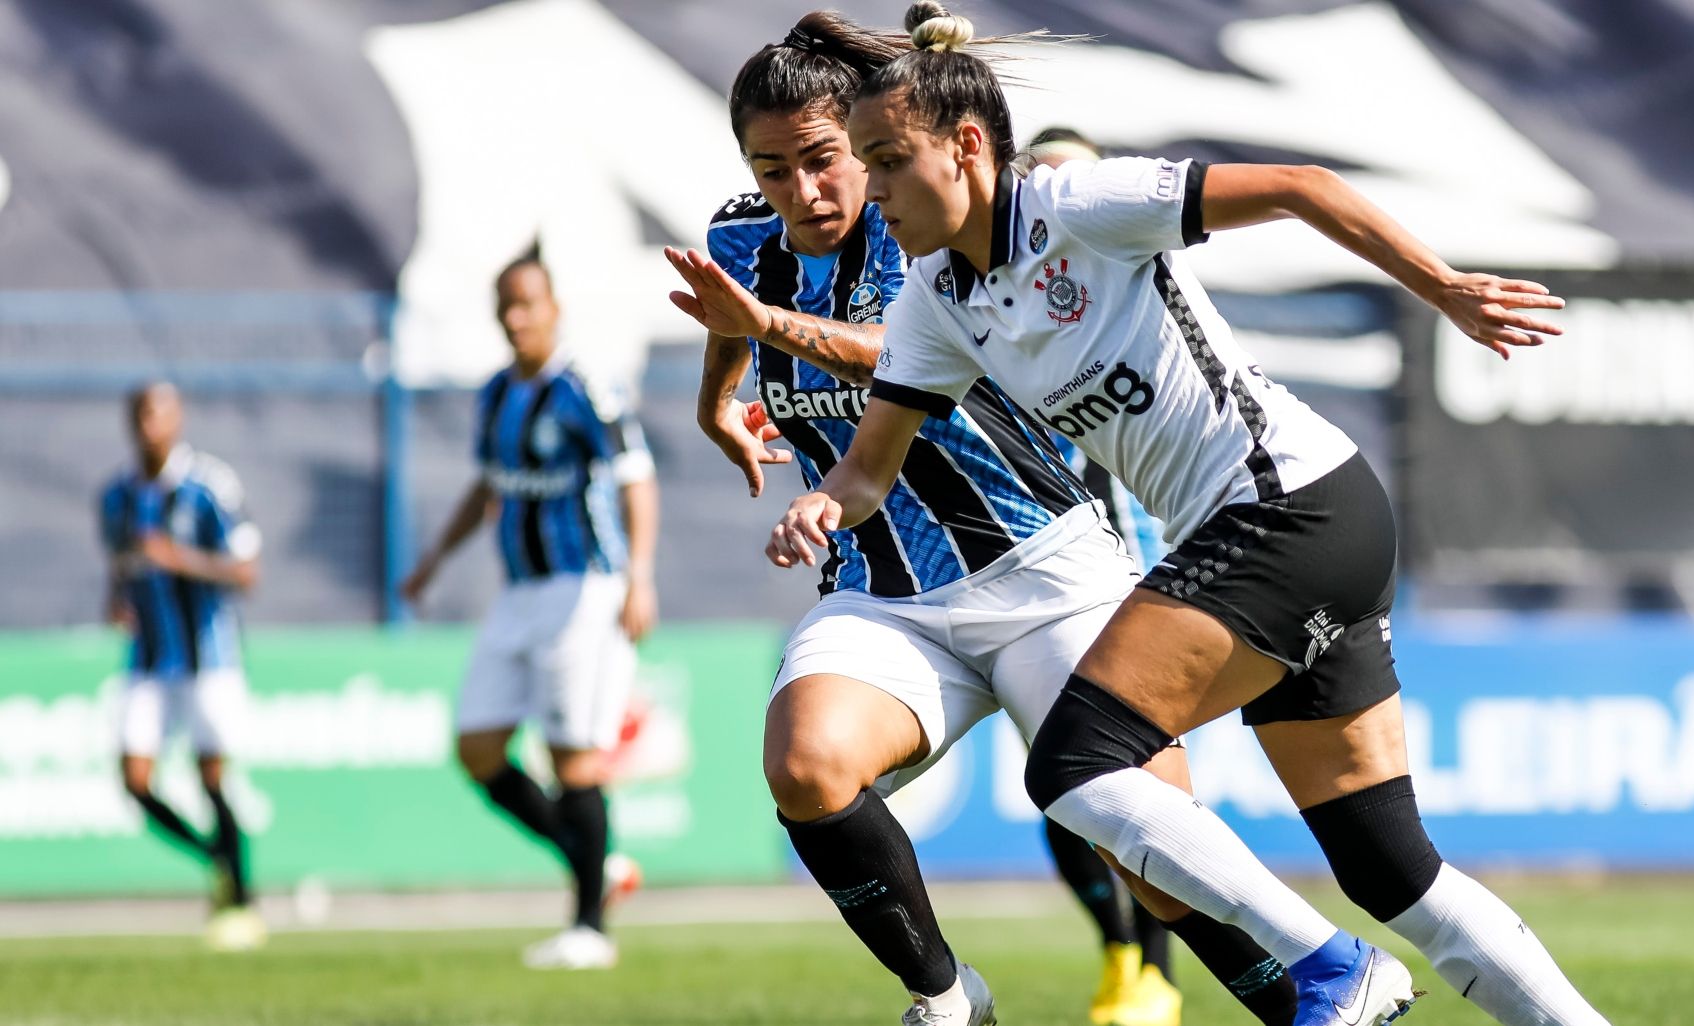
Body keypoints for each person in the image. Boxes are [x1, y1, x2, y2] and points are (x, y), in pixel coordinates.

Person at [771, 5, 1612, 1025]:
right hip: (1292, 530)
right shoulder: (935, 301)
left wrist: (1444, 289)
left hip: (1289, 506)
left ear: (967, 145)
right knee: (1392, 870)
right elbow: (869, 469)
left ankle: (1329, 968)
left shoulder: (1080, 204)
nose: (876, 192)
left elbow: (1304, 188)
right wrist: (822, 505)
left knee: (1078, 763)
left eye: (888, 161)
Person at [668, 13, 1295, 1026]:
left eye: (824, 161)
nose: (803, 192)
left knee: (1156, 852)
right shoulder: (743, 236)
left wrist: (768, 327)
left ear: (869, 144)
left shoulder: (930, 223)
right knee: (805, 764)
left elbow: (903, 355)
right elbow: (729, 314)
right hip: (885, 588)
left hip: (1043, 562)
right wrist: (716, 407)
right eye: (772, 168)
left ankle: (1315, 998)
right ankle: (950, 1000)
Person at [400, 250, 659, 970]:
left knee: (573, 757)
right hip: (517, 592)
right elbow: (489, 488)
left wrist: (640, 577)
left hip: (586, 590)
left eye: (528, 304)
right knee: (478, 749)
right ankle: (594, 863)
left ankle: (590, 931)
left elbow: (636, 480)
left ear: (554, 310)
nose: (517, 318)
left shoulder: (585, 390)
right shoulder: (493, 395)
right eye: (505, 306)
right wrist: (433, 561)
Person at [1022, 125, 1188, 1026]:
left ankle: (1158, 968)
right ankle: (1121, 953)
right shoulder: (994, 310)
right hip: (1041, 590)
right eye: (1044, 186)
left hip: (1147, 586)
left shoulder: (1150, 297)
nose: (1064, 205)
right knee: (1060, 790)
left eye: (1079, 184)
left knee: (1142, 782)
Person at [99, 381, 265, 952]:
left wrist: (179, 559)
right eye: (143, 414)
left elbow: (246, 571)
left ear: (178, 419)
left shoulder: (208, 487)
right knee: (136, 780)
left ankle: (242, 900)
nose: (153, 425)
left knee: (212, 777)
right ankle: (215, 856)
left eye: (162, 414)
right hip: (148, 660)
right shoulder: (117, 495)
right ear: (132, 421)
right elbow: (120, 565)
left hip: (209, 658)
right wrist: (117, 600)